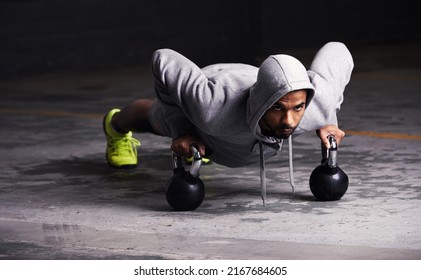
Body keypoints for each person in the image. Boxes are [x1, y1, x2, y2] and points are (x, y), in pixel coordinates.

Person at [103, 42, 354, 204]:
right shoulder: (211, 107)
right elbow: (163, 58)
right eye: (277, 108)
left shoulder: (315, 103)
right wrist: (182, 130)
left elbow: (337, 50)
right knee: (154, 118)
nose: (289, 121)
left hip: (253, 79)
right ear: (263, 103)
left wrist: (327, 117)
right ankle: (114, 126)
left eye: (297, 108)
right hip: (216, 84)